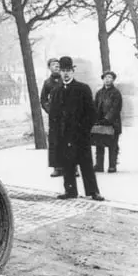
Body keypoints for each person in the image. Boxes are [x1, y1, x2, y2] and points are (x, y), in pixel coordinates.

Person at [48, 56, 104, 201]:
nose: (65, 73)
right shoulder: (56, 91)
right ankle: (70, 190)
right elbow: (53, 116)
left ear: (73, 71)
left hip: (80, 134)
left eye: (68, 70)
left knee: (86, 163)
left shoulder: (83, 89)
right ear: (59, 72)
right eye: (63, 70)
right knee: (67, 164)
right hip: (64, 135)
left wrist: (84, 130)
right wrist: (56, 134)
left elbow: (91, 113)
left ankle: (93, 192)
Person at [93, 70, 123, 173]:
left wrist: (107, 119)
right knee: (99, 144)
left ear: (113, 80)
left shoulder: (116, 93)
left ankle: (112, 166)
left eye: (110, 77)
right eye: (105, 77)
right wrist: (96, 119)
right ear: (103, 79)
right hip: (101, 123)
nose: (107, 79)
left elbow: (115, 108)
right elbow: (95, 107)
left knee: (113, 145)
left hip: (113, 124)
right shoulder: (99, 93)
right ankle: (99, 165)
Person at [40, 58, 65, 177]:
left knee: (68, 140)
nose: (56, 66)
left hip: (66, 116)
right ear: (49, 67)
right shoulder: (47, 83)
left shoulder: (65, 80)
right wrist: (50, 110)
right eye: (53, 65)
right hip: (54, 118)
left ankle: (72, 167)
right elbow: (43, 99)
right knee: (54, 141)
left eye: (58, 64)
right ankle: (57, 167)